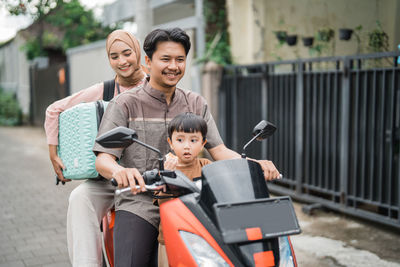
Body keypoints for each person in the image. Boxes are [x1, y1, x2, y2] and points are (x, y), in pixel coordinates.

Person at [94, 27, 280, 266]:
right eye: (166, 59)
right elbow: (103, 158)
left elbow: (219, 150)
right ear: (148, 62)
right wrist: (120, 171)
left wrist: (253, 165)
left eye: (180, 59)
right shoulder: (125, 103)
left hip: (194, 197)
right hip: (141, 201)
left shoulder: (196, 102)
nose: (174, 66)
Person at [44, 29, 146, 266]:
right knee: (80, 198)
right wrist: (53, 153)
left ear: (138, 52)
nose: (122, 61)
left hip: (148, 178)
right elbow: (54, 110)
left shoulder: (154, 84)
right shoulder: (106, 90)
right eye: (114, 56)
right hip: (110, 179)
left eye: (127, 53)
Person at [156, 112, 212, 267]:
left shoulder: (206, 165)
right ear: (171, 142)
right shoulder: (166, 168)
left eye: (194, 140)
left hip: (202, 235)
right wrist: (167, 176)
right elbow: (163, 205)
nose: (187, 146)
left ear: (202, 143)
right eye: (180, 140)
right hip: (171, 237)